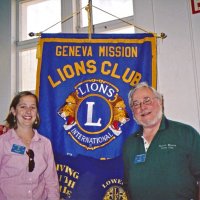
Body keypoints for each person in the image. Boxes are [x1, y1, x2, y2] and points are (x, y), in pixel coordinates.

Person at [122, 82, 200, 200]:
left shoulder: (186, 134)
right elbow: (128, 186)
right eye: (136, 104)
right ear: (133, 111)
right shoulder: (129, 144)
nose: (142, 107)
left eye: (147, 100)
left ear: (160, 101)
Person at [0, 91, 60, 200]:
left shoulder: (45, 143)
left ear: (36, 113)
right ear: (14, 111)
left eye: (33, 107)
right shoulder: (3, 142)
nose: (28, 111)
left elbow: (51, 182)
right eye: (23, 106)